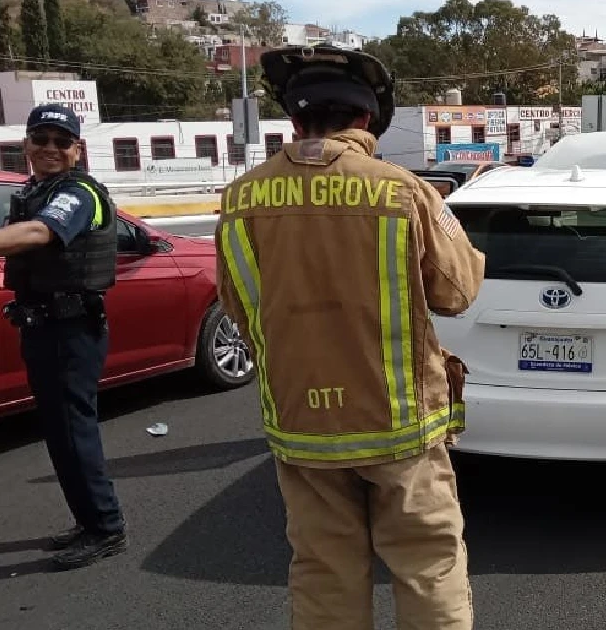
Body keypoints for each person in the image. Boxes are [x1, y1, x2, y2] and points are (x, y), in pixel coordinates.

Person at [216, 44, 486, 630]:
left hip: (301, 428)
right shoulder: (404, 191)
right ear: (365, 120)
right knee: (428, 568)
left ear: (294, 120)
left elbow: (240, 310)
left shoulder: (239, 200)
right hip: (401, 426)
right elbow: (459, 290)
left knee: (322, 574)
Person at [0, 104, 126, 570]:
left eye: (60, 141)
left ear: (77, 150)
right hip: (42, 326)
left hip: (71, 329)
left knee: (75, 432)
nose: (49, 149)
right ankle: (89, 519)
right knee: (59, 433)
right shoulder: (35, 190)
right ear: (27, 144)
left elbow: (39, 233)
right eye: (41, 139)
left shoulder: (75, 194)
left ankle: (106, 528)